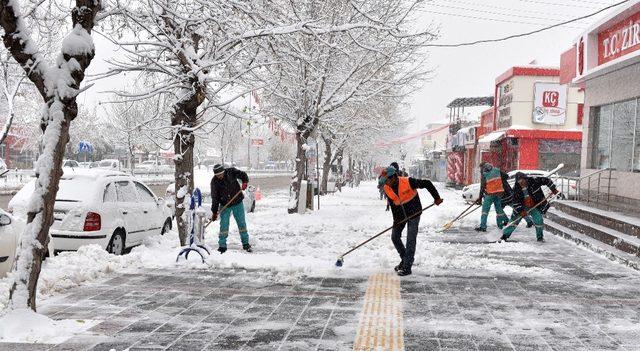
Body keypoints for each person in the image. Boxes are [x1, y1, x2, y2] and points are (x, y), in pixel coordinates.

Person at [381, 166, 443, 276]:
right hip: (400, 215)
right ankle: (405, 259)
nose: (386, 183)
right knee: (395, 237)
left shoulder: (408, 181)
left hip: (414, 213)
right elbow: (393, 205)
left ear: (394, 177)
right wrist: (396, 221)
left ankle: (407, 266)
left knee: (410, 239)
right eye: (384, 180)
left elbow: (427, 183)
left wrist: (436, 198)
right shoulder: (386, 188)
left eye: (387, 180)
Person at [500, 172, 559, 242]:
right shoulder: (517, 188)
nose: (521, 183)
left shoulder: (534, 181)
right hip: (522, 206)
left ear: (525, 179)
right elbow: (516, 202)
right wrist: (521, 211)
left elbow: (546, 180)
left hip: (534, 206)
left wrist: (553, 188)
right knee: (514, 221)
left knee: (539, 219)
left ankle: (540, 237)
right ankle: (505, 236)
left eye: (522, 181)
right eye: (519, 182)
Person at [210, 164, 252, 253]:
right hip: (225, 205)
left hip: (237, 202)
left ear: (223, 172)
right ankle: (222, 246)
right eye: (217, 176)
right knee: (224, 225)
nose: (219, 177)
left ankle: (246, 243)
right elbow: (215, 198)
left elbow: (243, 175)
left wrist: (245, 182)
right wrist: (214, 212)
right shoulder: (214, 182)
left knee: (241, 224)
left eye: (220, 175)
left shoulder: (231, 172)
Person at [475, 162, 509, 232]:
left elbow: (482, 186)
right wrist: (498, 182)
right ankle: (504, 222)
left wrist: (480, 198)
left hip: (490, 194)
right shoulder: (496, 170)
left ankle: (483, 226)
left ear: (483, 167)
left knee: (485, 211)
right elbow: (506, 176)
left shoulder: (484, 173)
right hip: (499, 193)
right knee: (498, 209)